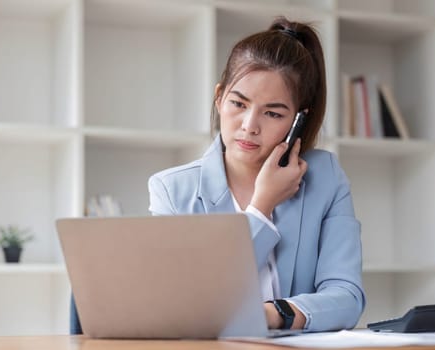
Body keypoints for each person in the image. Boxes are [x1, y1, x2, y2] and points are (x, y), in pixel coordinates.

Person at [147, 17, 365, 332]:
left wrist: (271, 314)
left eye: (273, 113)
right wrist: (262, 205)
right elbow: (194, 304)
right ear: (220, 98)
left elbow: (347, 298)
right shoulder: (172, 190)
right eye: (239, 103)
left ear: (298, 121)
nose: (250, 125)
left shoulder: (326, 177)